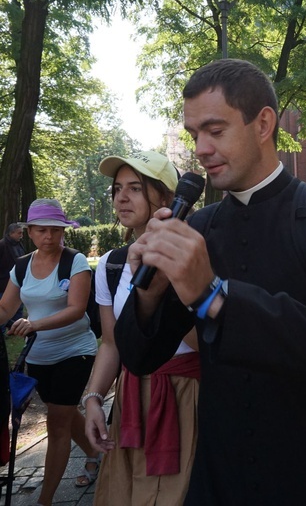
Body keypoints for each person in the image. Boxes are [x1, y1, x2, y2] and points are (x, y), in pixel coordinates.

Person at [114, 59, 306, 504]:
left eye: (215, 130)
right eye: (193, 135)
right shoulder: (199, 228)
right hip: (224, 470)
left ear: (263, 123)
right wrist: (147, 291)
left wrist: (214, 296)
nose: (201, 149)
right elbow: (139, 356)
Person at [83, 151, 200, 505]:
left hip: (185, 397)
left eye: (135, 188)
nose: (121, 197)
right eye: (117, 188)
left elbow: (204, 342)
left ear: (167, 199)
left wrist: (174, 281)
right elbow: (110, 344)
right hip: (131, 402)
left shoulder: (195, 255)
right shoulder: (111, 265)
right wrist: (93, 399)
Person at [0, 199, 99, 505]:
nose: (50, 237)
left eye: (56, 230)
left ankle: (45, 500)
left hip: (76, 350)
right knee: (65, 415)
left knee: (57, 422)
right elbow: (6, 307)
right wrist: (24, 325)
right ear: (29, 231)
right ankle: (95, 454)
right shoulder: (21, 266)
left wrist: (34, 324)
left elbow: (76, 309)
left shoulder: (76, 261)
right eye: (42, 230)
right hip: (39, 356)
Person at [0, 223, 25, 333]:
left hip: (18, 281)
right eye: (19, 233)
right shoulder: (2, 245)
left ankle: (15, 329)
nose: (21, 235)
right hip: (4, 282)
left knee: (19, 306)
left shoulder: (19, 244)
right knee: (4, 307)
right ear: (11, 233)